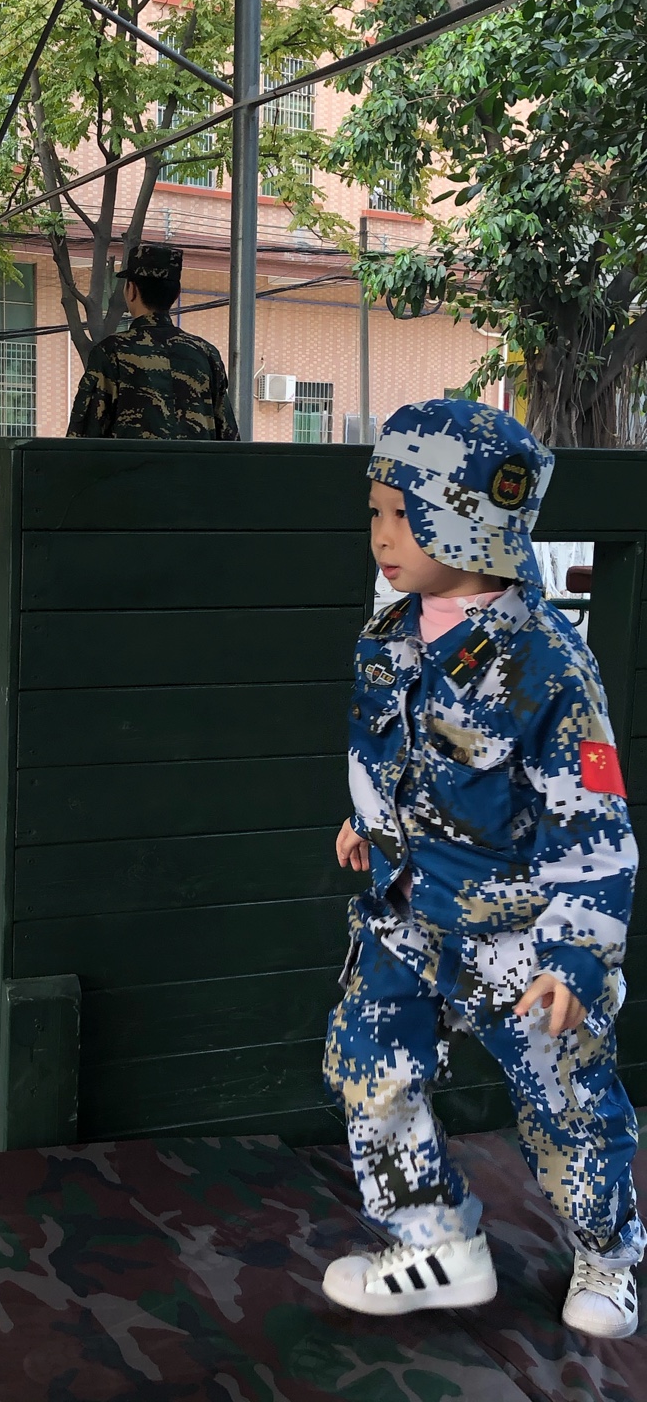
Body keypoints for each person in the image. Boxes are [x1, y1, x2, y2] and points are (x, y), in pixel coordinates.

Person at [322, 398, 644, 1340]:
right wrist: (368, 822)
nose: (383, 536)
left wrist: (576, 957)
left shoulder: (547, 665)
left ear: (470, 519)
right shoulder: (390, 636)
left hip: (521, 938)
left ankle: (610, 1252)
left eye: (405, 513)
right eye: (376, 512)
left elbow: (596, 826)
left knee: (565, 1106)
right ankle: (435, 1243)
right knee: (368, 1067)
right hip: (406, 910)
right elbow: (394, 753)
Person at [66, 244, 239, 441]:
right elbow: (229, 439)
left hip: (132, 463)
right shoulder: (206, 354)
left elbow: (82, 439)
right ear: (177, 293)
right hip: (195, 463)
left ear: (131, 290)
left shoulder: (111, 352)